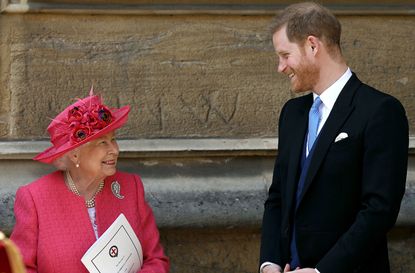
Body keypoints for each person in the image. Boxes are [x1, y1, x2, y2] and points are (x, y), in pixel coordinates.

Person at [259, 2, 408, 273]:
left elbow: (378, 210)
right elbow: (278, 197)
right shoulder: (292, 114)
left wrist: (321, 272)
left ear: (312, 46)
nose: (280, 67)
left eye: (285, 55)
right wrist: (269, 263)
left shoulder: (380, 111)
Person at [11, 88, 169, 273]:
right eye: (102, 142)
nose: (115, 150)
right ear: (75, 155)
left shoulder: (130, 187)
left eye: (113, 139)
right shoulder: (35, 198)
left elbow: (156, 260)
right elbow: (19, 268)